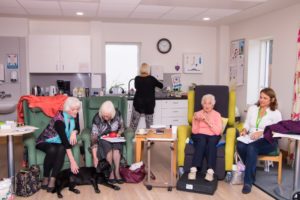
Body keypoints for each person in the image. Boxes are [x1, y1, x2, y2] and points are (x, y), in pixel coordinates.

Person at [237, 87, 282, 194]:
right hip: (251, 137)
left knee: (252, 147)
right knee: (240, 145)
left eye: (265, 98)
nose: (261, 100)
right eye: (261, 97)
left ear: (272, 100)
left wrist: (262, 133)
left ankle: (248, 182)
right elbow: (247, 123)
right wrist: (244, 130)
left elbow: (277, 130)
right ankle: (251, 169)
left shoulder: (276, 113)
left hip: (268, 140)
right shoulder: (253, 109)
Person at [36, 97, 81, 192]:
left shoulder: (74, 115)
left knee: (61, 148)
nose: (76, 111)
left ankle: (53, 178)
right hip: (45, 141)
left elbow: (77, 127)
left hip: (59, 142)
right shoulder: (59, 121)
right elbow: (65, 141)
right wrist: (72, 161)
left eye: (77, 109)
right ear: (68, 109)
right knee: (52, 150)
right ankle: (45, 177)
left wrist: (74, 132)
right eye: (73, 109)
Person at [90, 100, 125, 184]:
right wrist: (95, 158)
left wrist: (119, 134)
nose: (105, 118)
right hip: (102, 139)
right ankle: (111, 173)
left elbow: (122, 127)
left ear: (112, 114)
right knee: (107, 146)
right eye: (104, 116)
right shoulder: (97, 118)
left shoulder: (117, 114)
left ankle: (117, 172)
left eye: (108, 116)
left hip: (114, 137)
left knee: (117, 145)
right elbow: (94, 138)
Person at [190, 94, 222, 181]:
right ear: (202, 104)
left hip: (213, 135)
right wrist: (196, 120)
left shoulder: (217, 115)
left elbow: (218, 132)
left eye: (209, 103)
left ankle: (210, 171)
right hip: (199, 135)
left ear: (213, 105)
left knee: (211, 142)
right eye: (205, 103)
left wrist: (207, 121)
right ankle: (193, 169)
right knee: (202, 140)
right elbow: (194, 131)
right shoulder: (197, 114)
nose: (207, 105)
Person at [130, 63, 163, 132]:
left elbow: (136, 87)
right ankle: (149, 141)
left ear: (140, 69)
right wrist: (154, 83)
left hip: (138, 104)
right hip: (149, 104)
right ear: (148, 70)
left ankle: (130, 139)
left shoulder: (137, 78)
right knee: (149, 124)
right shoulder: (152, 79)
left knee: (133, 124)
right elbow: (161, 85)